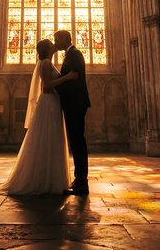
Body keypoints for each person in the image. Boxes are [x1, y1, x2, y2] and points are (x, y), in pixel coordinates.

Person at [2, 39, 78, 195]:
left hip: (52, 102)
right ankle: (46, 180)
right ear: (47, 48)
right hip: (49, 103)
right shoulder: (46, 63)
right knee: (49, 137)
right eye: (52, 44)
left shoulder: (46, 62)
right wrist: (67, 77)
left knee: (50, 138)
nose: (55, 45)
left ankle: (49, 178)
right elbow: (47, 85)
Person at [53, 29, 91, 195]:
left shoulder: (75, 54)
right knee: (76, 142)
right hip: (73, 103)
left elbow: (74, 79)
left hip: (75, 103)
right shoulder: (71, 55)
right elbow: (70, 78)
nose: (55, 43)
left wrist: (54, 86)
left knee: (78, 142)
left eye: (57, 39)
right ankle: (79, 180)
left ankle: (81, 182)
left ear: (65, 39)